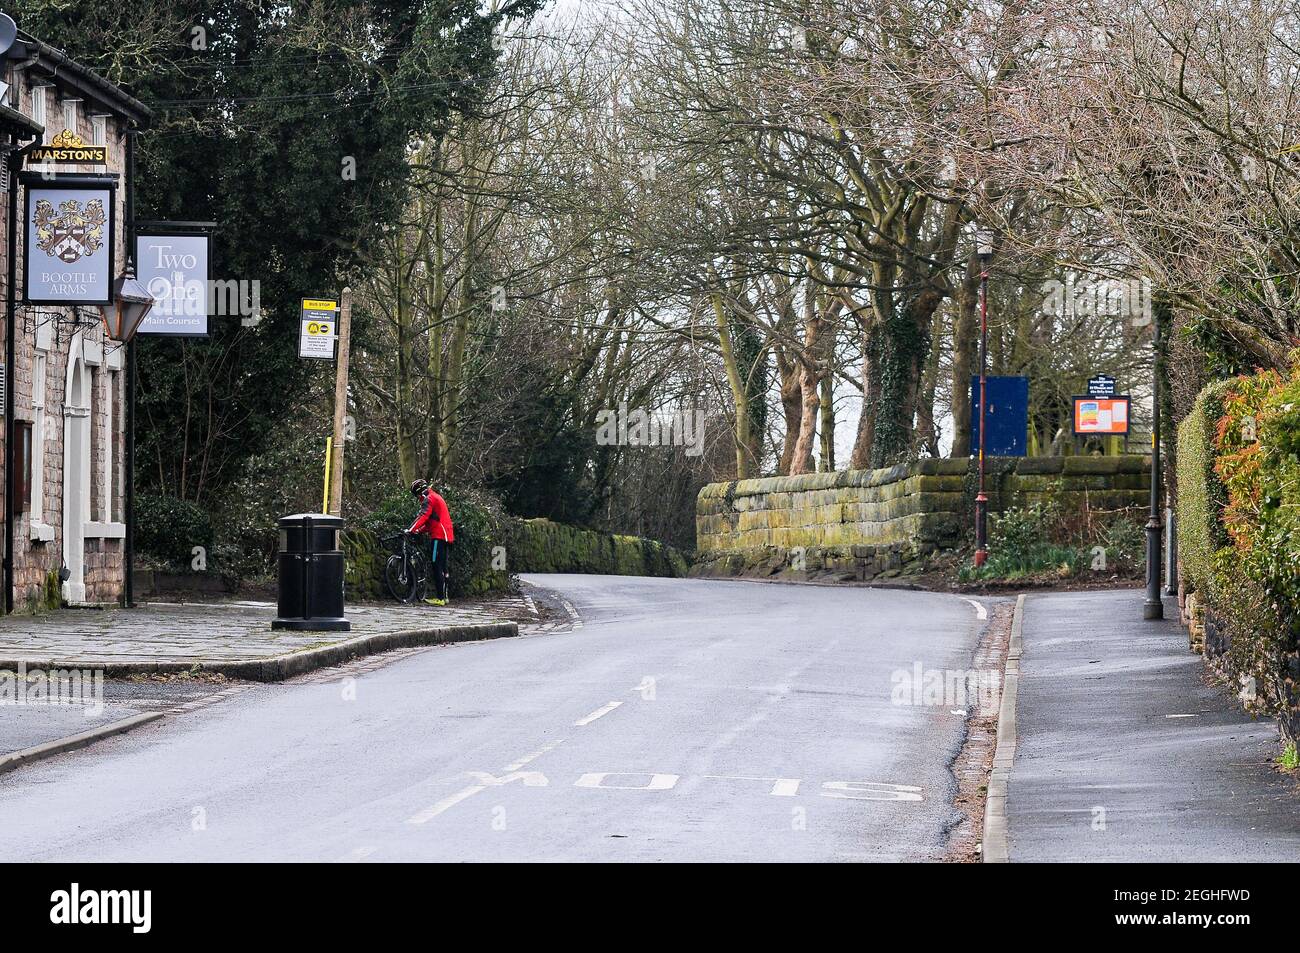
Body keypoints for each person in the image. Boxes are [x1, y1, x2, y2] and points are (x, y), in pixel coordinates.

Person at [407, 479, 454, 606]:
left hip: (438, 536)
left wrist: (410, 530)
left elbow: (424, 516)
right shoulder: (436, 496)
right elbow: (432, 521)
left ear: (419, 493)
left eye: (416, 496)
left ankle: (440, 598)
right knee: (443, 566)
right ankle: (445, 597)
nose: (417, 499)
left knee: (436, 565)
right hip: (446, 534)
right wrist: (419, 530)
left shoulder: (429, 499)